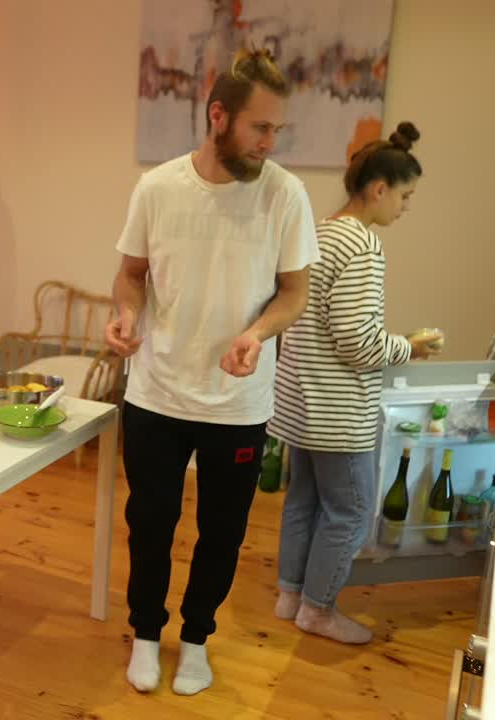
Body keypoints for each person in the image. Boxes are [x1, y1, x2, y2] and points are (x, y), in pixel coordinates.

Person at [104, 46, 319, 695]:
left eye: (278, 129)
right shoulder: (158, 189)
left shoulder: (286, 195)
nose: (269, 142)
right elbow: (131, 275)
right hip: (156, 393)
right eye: (260, 127)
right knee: (150, 524)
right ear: (218, 115)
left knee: (222, 533)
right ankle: (145, 633)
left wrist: (256, 334)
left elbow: (294, 292)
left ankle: (196, 638)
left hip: (238, 402)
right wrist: (125, 314)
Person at [269, 122, 439, 644]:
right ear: (379, 188)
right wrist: (409, 346)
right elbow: (358, 342)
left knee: (303, 501)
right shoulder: (362, 245)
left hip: (298, 403)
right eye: (405, 196)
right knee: (351, 511)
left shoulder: (318, 232)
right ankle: (318, 611)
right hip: (337, 411)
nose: (405, 209)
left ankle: (290, 595)